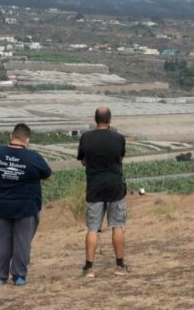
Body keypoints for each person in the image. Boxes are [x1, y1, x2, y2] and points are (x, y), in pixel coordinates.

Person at [0, 123, 52, 286]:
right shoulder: (33, 158)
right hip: (25, 207)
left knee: (1, 241)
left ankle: (0, 276)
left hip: (0, 205)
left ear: (11, 136)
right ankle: (19, 276)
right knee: (22, 242)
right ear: (27, 140)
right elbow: (48, 175)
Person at [77, 106, 128, 277]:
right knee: (117, 225)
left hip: (95, 186)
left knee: (93, 228)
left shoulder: (86, 138)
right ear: (110, 120)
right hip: (115, 186)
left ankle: (89, 267)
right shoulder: (119, 138)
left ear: (95, 119)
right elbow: (119, 159)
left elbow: (83, 162)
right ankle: (120, 266)